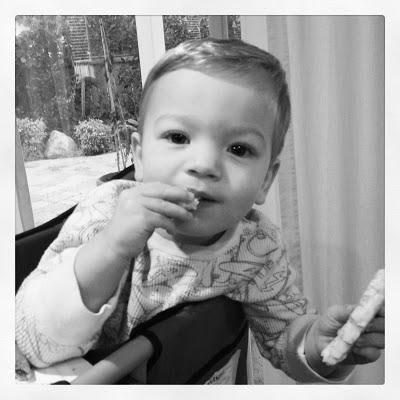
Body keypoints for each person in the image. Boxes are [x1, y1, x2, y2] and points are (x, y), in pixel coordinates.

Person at [15, 38, 384, 383]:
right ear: (140, 157)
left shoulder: (257, 248)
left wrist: (319, 346)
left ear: (266, 181)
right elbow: (30, 340)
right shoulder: (106, 211)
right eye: (178, 137)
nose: (205, 164)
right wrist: (112, 248)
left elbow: (284, 337)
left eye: (239, 149)